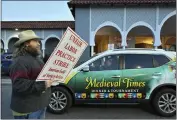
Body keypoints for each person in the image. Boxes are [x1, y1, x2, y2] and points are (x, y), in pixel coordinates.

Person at [9, 30, 54, 119]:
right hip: (27, 111)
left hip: (39, 106)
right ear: (26, 43)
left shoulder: (37, 59)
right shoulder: (19, 62)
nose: (39, 44)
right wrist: (43, 84)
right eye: (35, 41)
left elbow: (39, 75)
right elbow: (19, 84)